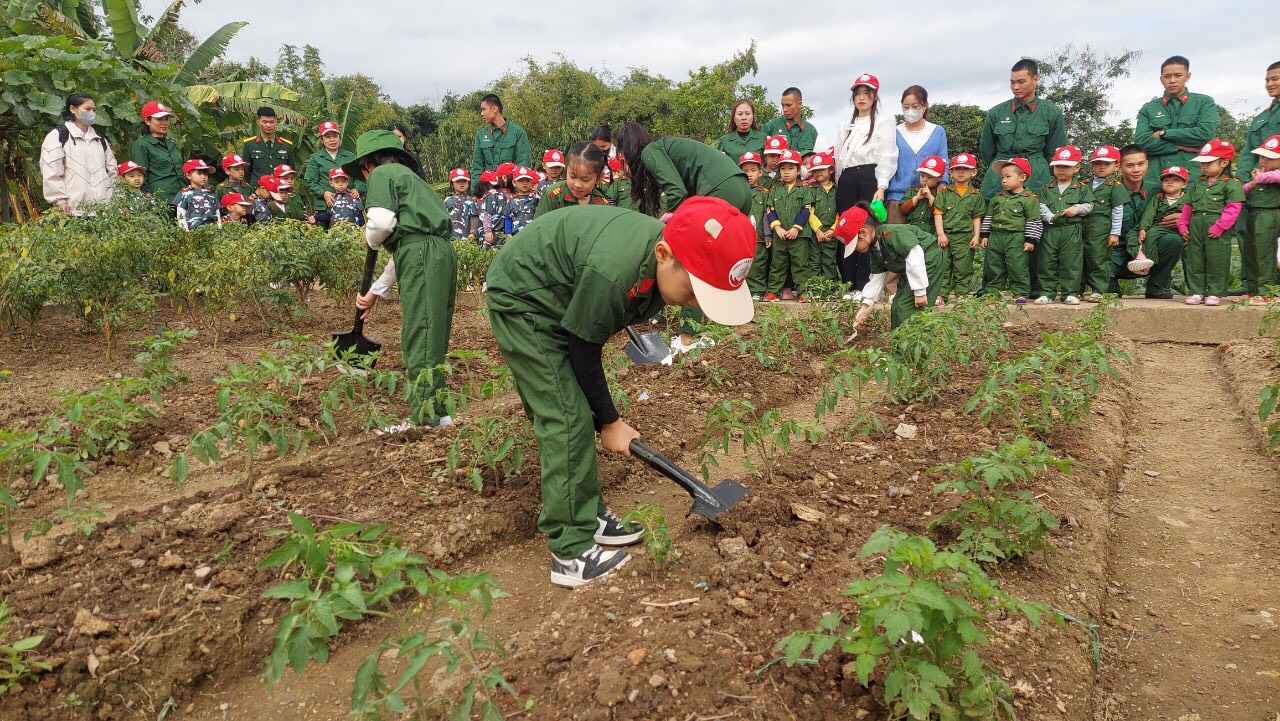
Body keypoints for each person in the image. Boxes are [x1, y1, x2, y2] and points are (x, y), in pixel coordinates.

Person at [484, 197, 757, 587]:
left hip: (560, 298)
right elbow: (583, 350)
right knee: (566, 418)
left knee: (574, 412)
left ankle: (586, 510)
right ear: (664, 255)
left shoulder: (653, 262)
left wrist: (605, 417)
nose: (696, 304)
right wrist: (610, 422)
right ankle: (571, 552)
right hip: (525, 300)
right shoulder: (615, 272)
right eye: (695, 292)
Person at [348, 130, 457, 431]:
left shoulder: (382, 174)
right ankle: (439, 412)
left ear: (368, 164)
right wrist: (374, 292)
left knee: (419, 333)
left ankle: (422, 419)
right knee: (432, 332)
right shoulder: (414, 181)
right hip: (439, 253)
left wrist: (371, 238)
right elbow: (407, 247)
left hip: (421, 254)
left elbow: (381, 224)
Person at [615, 121, 752, 351]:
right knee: (713, 265)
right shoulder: (667, 148)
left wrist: (665, 228)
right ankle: (710, 328)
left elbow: (676, 191)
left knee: (692, 263)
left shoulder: (651, 152)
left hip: (720, 189)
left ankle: (688, 338)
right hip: (739, 188)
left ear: (626, 149)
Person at [835, 73, 898, 291]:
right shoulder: (846, 124)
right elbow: (839, 157)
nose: (861, 98)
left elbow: (887, 156)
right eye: (858, 94)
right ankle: (848, 284)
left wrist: (881, 187)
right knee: (846, 228)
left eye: (866, 93)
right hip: (848, 177)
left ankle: (865, 285)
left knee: (865, 229)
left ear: (874, 96)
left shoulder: (884, 122)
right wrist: (838, 182)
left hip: (870, 175)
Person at [839, 203, 945, 329]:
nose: (855, 250)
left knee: (907, 308)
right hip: (912, 269)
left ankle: (912, 345)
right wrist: (866, 306)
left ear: (863, 233)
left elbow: (915, 256)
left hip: (928, 260)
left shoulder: (893, 233)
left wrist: (920, 291)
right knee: (896, 307)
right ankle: (899, 346)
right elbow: (877, 278)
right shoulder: (875, 249)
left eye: (854, 244)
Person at [978, 59, 1067, 200]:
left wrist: (1042, 170)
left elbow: (1055, 151)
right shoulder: (996, 112)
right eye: (1012, 82)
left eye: (1021, 82)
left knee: (1036, 216)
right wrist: (1004, 168)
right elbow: (987, 149)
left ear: (1035, 79)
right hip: (999, 177)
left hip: (1036, 176)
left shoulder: (1051, 112)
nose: (1016, 87)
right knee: (992, 215)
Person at [1134, 56, 1218, 190]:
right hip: (1155, 181)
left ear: (1187, 76)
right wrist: (1180, 147)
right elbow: (1141, 143)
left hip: (1192, 180)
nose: (1172, 80)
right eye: (1167, 76)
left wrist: (1164, 133)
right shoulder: (1148, 109)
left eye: (1178, 75)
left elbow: (1204, 134)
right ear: (1161, 79)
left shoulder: (1204, 103)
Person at [1108, 145, 1181, 298]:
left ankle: (1157, 286)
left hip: (1148, 249)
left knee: (1173, 240)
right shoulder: (1108, 190)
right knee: (1109, 293)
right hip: (1115, 252)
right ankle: (1108, 284)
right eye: (1130, 165)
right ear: (1120, 168)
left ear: (1147, 164)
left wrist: (1184, 216)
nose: (1136, 170)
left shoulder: (1160, 190)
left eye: (1140, 164)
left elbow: (1192, 203)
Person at [1178, 140, 1244, 306]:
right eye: (1202, 163)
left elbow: (1233, 208)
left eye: (1208, 163)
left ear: (1224, 162)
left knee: (1217, 259)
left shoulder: (1232, 184)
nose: (1204, 167)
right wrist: (1183, 224)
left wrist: (1220, 226)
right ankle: (1196, 292)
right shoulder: (1197, 183)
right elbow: (1188, 205)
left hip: (1217, 227)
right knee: (1195, 258)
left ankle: (1214, 292)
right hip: (1196, 225)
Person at [1033, 146, 1094, 305]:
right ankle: (1047, 292)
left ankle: (1069, 293)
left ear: (1077, 167)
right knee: (1047, 261)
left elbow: (1089, 205)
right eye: (1058, 166)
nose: (1061, 169)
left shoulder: (1081, 188)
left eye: (1066, 166)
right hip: (1050, 231)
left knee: (1071, 261)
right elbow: (1041, 206)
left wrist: (1076, 209)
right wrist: (1050, 217)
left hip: (1071, 230)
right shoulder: (1047, 188)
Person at [40, 93, 117, 215]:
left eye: (94, 110)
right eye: (87, 109)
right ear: (72, 109)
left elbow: (112, 172)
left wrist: (116, 200)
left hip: (103, 211)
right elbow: (51, 172)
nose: (92, 113)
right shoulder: (58, 136)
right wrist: (59, 200)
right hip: (73, 210)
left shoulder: (100, 140)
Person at [979, 158, 1043, 303]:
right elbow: (989, 216)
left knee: (1017, 266)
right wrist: (985, 235)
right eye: (1002, 177)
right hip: (995, 237)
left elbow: (1034, 220)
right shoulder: (998, 197)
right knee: (994, 266)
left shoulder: (1029, 198)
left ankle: (1020, 292)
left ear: (1022, 177)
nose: (1004, 181)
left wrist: (1030, 239)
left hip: (1016, 238)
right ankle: (992, 292)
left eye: (1008, 177)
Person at [886, 86, 949, 224]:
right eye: (906, 107)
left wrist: (943, 184)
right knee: (895, 242)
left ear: (925, 106)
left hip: (928, 198)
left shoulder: (937, 131)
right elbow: (886, 163)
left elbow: (943, 161)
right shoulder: (893, 132)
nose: (910, 111)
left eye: (915, 106)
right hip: (897, 199)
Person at [932, 153, 985, 302]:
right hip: (946, 236)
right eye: (957, 169)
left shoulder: (976, 195)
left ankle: (961, 294)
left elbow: (976, 218)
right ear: (951, 173)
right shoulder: (944, 193)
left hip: (964, 237)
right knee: (943, 266)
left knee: (964, 267)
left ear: (973, 172)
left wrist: (976, 236)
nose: (961, 172)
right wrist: (940, 234)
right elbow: (938, 214)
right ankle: (941, 295)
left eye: (965, 169)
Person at [764, 149, 813, 301]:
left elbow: (806, 210)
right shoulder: (774, 190)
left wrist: (795, 228)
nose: (786, 172)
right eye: (783, 168)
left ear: (798, 170)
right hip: (779, 235)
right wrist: (777, 227)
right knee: (777, 264)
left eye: (790, 168)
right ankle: (773, 291)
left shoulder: (805, 189)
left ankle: (803, 292)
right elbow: (769, 210)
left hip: (799, 235)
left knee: (800, 264)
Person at [1135, 166, 1191, 292]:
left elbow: (1195, 213)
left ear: (1184, 184)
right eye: (1166, 180)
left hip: (1183, 230)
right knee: (1151, 234)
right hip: (1161, 227)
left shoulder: (1188, 199)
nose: (1170, 182)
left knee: (1191, 252)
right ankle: (1149, 261)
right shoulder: (1159, 197)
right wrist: (1143, 228)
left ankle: (1195, 287)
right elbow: (1149, 214)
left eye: (1175, 180)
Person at [1083, 146, 1128, 301]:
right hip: (1081, 226)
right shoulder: (1084, 184)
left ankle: (1099, 289)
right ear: (1092, 165)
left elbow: (1117, 210)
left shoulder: (1115, 186)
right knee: (1079, 257)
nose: (1101, 167)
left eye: (1106, 164)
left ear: (1116, 166)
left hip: (1101, 227)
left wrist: (1115, 233)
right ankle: (1076, 289)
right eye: (1097, 163)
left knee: (1099, 258)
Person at [1241, 135, 1280, 301]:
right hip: (1252, 214)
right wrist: (1253, 182)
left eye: (1268, 157)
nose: (1263, 160)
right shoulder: (1260, 174)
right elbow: (1243, 190)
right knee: (1251, 252)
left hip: (1269, 215)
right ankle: (1253, 290)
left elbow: (1275, 177)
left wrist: (1260, 177)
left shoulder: (1270, 174)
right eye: (1261, 156)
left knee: (1265, 252)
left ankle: (1266, 292)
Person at [469, 94, 532, 193]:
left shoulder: (518, 133)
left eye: (484, 109)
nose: (481, 113)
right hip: (488, 192)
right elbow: (477, 167)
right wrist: (475, 193)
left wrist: (518, 193)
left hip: (511, 192)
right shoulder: (481, 135)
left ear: (494, 108)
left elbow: (523, 164)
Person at [535, 143, 612, 218]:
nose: (577, 185)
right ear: (566, 169)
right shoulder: (552, 196)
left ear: (599, 177)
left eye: (585, 180)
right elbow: (539, 228)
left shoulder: (601, 204)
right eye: (572, 176)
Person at [302, 121, 363, 216]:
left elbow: (361, 177)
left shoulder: (350, 156)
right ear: (321, 140)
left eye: (335, 136)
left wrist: (357, 189)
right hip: (325, 206)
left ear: (340, 138)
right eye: (327, 137)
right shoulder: (316, 158)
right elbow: (310, 181)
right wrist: (323, 193)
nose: (332, 140)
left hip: (349, 205)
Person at [129, 101, 183, 205]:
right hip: (160, 201)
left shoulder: (172, 144)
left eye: (166, 119)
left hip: (181, 199)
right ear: (148, 121)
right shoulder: (141, 145)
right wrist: (149, 201)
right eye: (159, 119)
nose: (164, 123)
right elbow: (140, 177)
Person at [739, 151, 773, 299]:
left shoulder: (764, 193)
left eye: (753, 171)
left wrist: (767, 235)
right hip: (740, 237)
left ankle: (757, 291)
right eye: (745, 171)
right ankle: (740, 290)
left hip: (758, 237)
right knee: (740, 263)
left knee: (758, 264)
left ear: (760, 172)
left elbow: (767, 215)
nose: (749, 175)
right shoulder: (738, 192)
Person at [805, 152, 840, 286]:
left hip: (831, 232)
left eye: (821, 169)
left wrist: (833, 230)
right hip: (815, 233)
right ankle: (815, 288)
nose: (818, 172)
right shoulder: (811, 189)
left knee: (829, 260)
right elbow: (809, 211)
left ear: (830, 170)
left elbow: (839, 212)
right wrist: (818, 230)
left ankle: (829, 288)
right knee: (814, 260)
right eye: (815, 170)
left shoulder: (837, 190)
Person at [242, 106, 295, 186]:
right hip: (258, 191)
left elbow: (291, 169)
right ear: (258, 122)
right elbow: (246, 171)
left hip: (280, 190)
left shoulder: (286, 145)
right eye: (265, 122)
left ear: (276, 122)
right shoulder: (250, 145)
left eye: (271, 122)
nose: (268, 125)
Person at [899, 156, 944, 239]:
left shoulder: (941, 194)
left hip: (931, 233)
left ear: (940, 178)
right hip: (912, 232)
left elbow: (940, 214)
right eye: (922, 176)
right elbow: (903, 210)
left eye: (929, 177)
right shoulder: (913, 191)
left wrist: (931, 198)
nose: (925, 180)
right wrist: (916, 198)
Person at [762, 88, 817, 155]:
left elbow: (808, 159)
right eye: (782, 105)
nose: (784, 109)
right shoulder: (771, 126)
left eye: (788, 105)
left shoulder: (811, 130)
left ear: (799, 104)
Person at [174, 159, 219, 230]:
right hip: (194, 234)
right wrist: (186, 235)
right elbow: (181, 216)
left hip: (213, 233)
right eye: (199, 173)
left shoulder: (211, 194)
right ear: (188, 176)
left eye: (205, 174)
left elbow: (217, 215)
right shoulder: (184, 194)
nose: (203, 176)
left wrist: (220, 231)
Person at [444, 168, 480, 240]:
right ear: (452, 183)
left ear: (468, 183)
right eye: (458, 181)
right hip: (450, 239)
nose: (462, 183)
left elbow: (474, 218)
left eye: (464, 181)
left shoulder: (471, 202)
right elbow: (442, 218)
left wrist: (473, 233)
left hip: (466, 239)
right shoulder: (447, 201)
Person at [503, 166, 540, 235]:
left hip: (533, 233)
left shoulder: (536, 199)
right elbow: (507, 218)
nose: (525, 183)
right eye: (521, 180)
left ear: (531, 183)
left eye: (527, 181)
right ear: (514, 183)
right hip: (516, 235)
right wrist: (508, 234)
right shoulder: (511, 201)